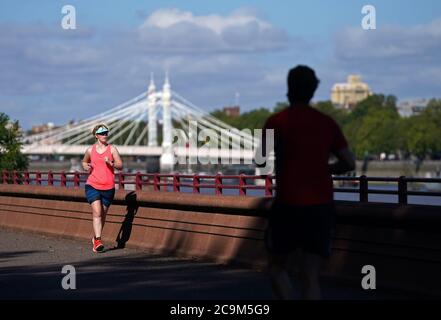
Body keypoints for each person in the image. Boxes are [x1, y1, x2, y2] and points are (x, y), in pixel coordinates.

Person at [260, 65, 355, 300]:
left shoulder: (275, 122)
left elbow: (262, 165)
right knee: (310, 274)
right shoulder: (326, 123)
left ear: (288, 89)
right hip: (320, 207)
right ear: (313, 91)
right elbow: (349, 162)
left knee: (276, 266)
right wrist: (323, 169)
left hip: (288, 205)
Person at [82, 124, 123, 253]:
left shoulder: (112, 149)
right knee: (97, 212)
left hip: (108, 187)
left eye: (106, 132)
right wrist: (85, 166)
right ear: (96, 135)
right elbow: (84, 162)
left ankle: (95, 238)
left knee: (102, 215)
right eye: (102, 132)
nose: (105, 134)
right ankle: (98, 241)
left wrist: (111, 163)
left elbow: (120, 165)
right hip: (92, 185)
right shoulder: (90, 150)